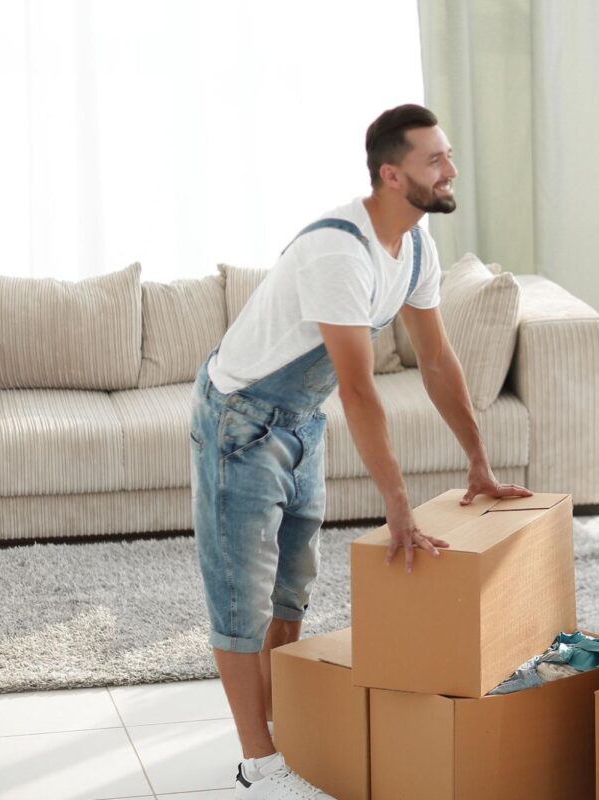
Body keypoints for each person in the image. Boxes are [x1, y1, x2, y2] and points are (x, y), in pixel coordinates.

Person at [190, 103, 532, 799]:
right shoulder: (338, 253)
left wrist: (479, 461)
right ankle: (258, 768)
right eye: (434, 160)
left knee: (292, 592)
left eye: (447, 155)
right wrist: (398, 506)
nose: (450, 170)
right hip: (240, 421)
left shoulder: (417, 248)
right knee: (241, 601)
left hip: (298, 418)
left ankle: (281, 736)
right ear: (390, 174)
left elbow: (436, 360)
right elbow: (358, 389)